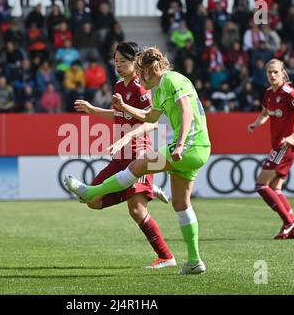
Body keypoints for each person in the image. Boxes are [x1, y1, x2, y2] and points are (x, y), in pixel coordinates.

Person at [65, 47, 211, 275]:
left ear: (149, 69)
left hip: (190, 145)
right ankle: (194, 261)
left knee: (138, 165)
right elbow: (150, 116)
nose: (140, 78)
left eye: (141, 71)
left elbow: (185, 111)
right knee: (181, 205)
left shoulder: (172, 79)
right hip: (196, 150)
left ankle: (91, 192)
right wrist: (123, 108)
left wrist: (180, 143)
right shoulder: (160, 89)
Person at [71, 42, 175, 269]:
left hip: (139, 155)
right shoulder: (119, 85)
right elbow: (119, 114)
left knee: (136, 211)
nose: (118, 65)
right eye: (116, 61)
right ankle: (147, 189)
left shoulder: (142, 87)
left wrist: (126, 120)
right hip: (120, 156)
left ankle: (166, 257)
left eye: (123, 61)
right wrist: (94, 110)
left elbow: (151, 120)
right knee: (92, 200)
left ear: (135, 60)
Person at [248, 58, 294, 239]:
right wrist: (255, 124)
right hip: (279, 145)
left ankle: (289, 222)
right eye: (269, 72)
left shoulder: (289, 93)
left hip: (285, 146)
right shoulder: (268, 93)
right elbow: (265, 114)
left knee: (261, 185)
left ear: (283, 73)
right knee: (276, 188)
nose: (272, 75)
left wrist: (293, 136)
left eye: (276, 72)